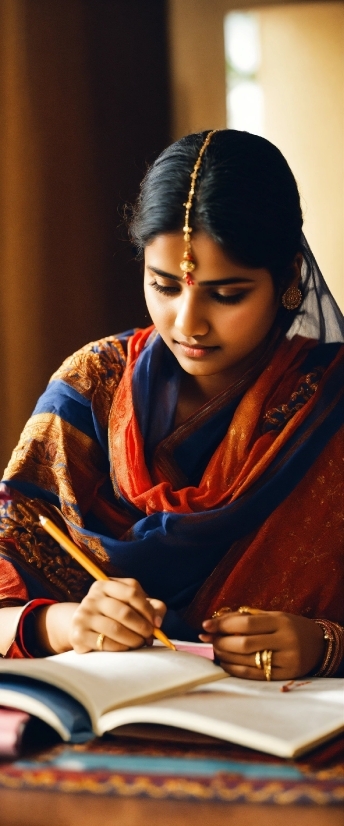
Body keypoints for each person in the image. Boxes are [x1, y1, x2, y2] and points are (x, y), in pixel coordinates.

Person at [0, 129, 343, 681]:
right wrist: (67, 625)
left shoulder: (331, 408)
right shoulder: (95, 384)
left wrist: (324, 646)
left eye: (227, 295)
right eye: (164, 286)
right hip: (94, 734)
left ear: (290, 280)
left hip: (286, 742)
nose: (188, 324)